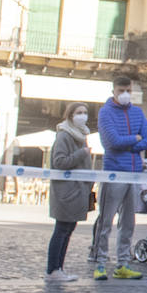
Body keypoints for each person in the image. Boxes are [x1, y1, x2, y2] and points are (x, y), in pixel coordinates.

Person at [93, 76, 147, 281]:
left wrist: (129, 143)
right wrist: (134, 140)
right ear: (114, 91)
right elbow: (111, 142)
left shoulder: (137, 112)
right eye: (121, 90)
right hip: (114, 172)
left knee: (128, 222)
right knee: (106, 220)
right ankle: (99, 262)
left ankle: (123, 264)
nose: (125, 93)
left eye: (128, 89)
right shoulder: (105, 112)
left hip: (133, 174)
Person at [46, 104, 94, 282]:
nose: (83, 116)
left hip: (78, 190)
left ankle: (58, 268)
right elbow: (59, 161)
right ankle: (52, 269)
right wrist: (81, 154)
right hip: (67, 191)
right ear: (70, 115)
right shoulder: (64, 135)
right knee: (61, 229)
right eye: (79, 113)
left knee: (68, 229)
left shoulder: (81, 135)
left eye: (85, 113)